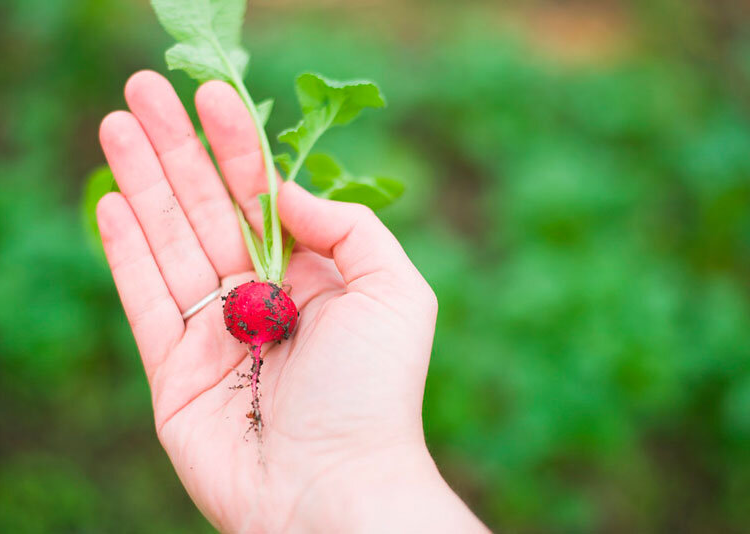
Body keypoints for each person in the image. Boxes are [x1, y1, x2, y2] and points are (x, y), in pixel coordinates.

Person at [97, 70, 489, 533]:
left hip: (260, 305)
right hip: (260, 305)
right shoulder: (260, 308)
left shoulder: (262, 309)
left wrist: (341, 466)